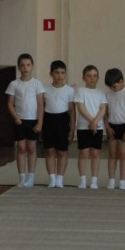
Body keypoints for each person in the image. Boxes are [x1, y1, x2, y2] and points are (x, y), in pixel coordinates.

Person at [5, 53, 45, 187]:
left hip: (33, 120)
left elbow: (40, 104)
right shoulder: (14, 84)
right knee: (21, 147)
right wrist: (15, 117)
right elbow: (10, 104)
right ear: (18, 67)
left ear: (32, 66)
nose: (25, 68)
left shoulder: (37, 84)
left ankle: (31, 177)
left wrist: (40, 122)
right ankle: (21, 177)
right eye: (22, 65)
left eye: (28, 65)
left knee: (31, 148)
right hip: (20, 120)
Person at [42, 60, 75, 188]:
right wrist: (40, 125)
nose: (59, 76)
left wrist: (72, 128)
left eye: (62, 73)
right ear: (51, 74)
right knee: (50, 151)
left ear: (65, 74)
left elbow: (72, 110)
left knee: (62, 151)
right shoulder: (45, 90)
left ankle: (60, 178)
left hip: (63, 121)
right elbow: (41, 108)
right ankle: (52, 178)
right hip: (48, 120)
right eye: (56, 72)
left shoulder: (70, 90)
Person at [74, 65, 107, 189]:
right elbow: (81, 107)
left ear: (98, 78)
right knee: (84, 152)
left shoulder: (101, 92)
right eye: (89, 76)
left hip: (98, 127)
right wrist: (91, 121)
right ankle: (82, 180)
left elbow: (103, 109)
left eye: (94, 76)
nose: (92, 78)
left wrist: (95, 122)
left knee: (95, 153)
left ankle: (94, 180)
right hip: (84, 127)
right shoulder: (81, 91)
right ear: (83, 78)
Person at [104, 68, 125, 190]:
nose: (112, 88)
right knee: (112, 154)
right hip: (112, 126)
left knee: (123, 154)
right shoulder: (108, 94)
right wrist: (107, 127)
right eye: (110, 87)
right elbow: (105, 113)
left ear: (121, 81)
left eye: (114, 86)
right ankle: (111, 180)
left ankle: (122, 181)